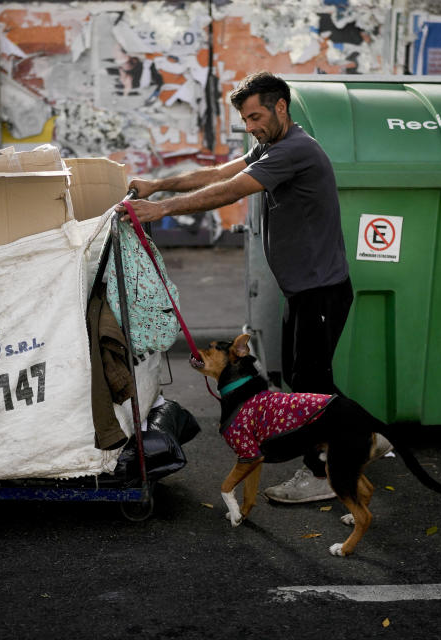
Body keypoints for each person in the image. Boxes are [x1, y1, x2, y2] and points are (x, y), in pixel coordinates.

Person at [116, 71, 353, 503]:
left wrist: (160, 209)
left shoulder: (295, 150)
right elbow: (218, 172)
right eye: (246, 119)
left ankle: (324, 473)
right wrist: (158, 183)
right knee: (307, 379)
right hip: (304, 289)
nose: (251, 127)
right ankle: (360, 441)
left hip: (322, 290)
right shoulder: (272, 144)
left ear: (281, 107)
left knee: (311, 384)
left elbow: (229, 191)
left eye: (256, 116)